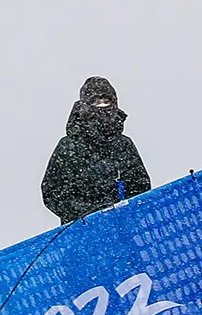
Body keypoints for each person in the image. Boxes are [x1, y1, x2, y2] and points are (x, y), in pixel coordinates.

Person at [41, 77, 152, 224]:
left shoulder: (123, 145)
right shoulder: (68, 147)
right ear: (85, 106)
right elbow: (52, 192)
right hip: (83, 233)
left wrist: (121, 209)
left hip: (123, 226)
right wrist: (89, 212)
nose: (102, 106)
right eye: (95, 101)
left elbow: (141, 186)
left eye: (107, 101)